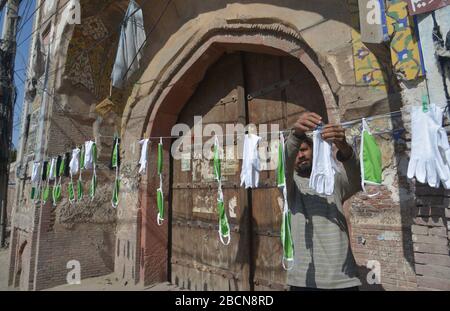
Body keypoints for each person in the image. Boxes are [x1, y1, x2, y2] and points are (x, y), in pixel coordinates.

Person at [285, 111, 362, 291]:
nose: (300, 156)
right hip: (304, 279)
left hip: (343, 278)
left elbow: (357, 179)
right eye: (297, 152)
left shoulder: (333, 181)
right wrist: (295, 135)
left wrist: (345, 148)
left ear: (315, 150)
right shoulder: (291, 186)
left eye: (304, 150)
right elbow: (285, 163)